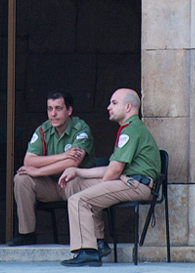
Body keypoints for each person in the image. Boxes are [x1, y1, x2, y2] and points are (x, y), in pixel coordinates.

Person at [57, 88, 161, 267]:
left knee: (79, 200)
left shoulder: (130, 130)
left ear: (128, 107)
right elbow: (111, 169)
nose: (108, 107)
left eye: (114, 103)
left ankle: (88, 251)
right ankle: (98, 241)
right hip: (129, 181)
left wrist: (97, 190)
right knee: (77, 184)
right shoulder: (129, 129)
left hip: (136, 184)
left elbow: (114, 171)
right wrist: (78, 172)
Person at [7, 90, 95, 247]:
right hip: (51, 186)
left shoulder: (80, 128)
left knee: (70, 176)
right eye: (50, 109)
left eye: (58, 109)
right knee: (22, 179)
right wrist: (63, 155)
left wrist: (39, 170)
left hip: (74, 184)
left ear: (69, 110)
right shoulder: (43, 130)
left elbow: (72, 163)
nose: (53, 114)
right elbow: (28, 160)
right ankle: (26, 234)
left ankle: (81, 239)